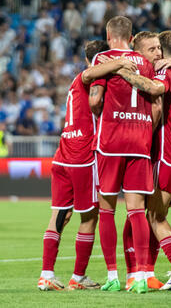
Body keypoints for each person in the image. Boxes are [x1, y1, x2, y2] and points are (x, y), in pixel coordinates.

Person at [38, 40, 138, 291]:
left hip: (63, 152)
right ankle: (78, 276)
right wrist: (122, 62)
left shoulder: (74, 82)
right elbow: (92, 73)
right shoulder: (91, 78)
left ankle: (46, 274)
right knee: (91, 216)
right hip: (83, 156)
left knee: (60, 214)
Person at [115, 31, 171, 291]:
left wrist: (125, 73)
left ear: (163, 53)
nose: (155, 54)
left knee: (154, 215)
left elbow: (156, 89)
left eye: (157, 50)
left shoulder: (166, 72)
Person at [88, 16, 158, 294]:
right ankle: (140, 276)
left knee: (106, 210)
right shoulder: (146, 64)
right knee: (137, 210)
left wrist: (103, 114)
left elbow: (94, 99)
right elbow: (156, 106)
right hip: (140, 140)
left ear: (108, 34)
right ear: (131, 38)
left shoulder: (102, 59)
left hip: (111, 141)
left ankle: (113, 276)